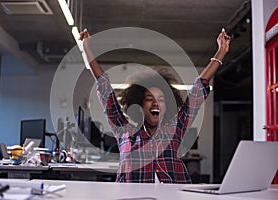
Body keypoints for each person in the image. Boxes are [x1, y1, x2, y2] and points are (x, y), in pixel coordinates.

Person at [79, 28, 231, 183]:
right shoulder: (124, 131)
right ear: (139, 105)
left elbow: (197, 91)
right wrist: (87, 50)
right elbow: (105, 88)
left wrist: (221, 52)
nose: (155, 103)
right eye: (149, 98)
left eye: (161, 99)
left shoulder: (174, 130)